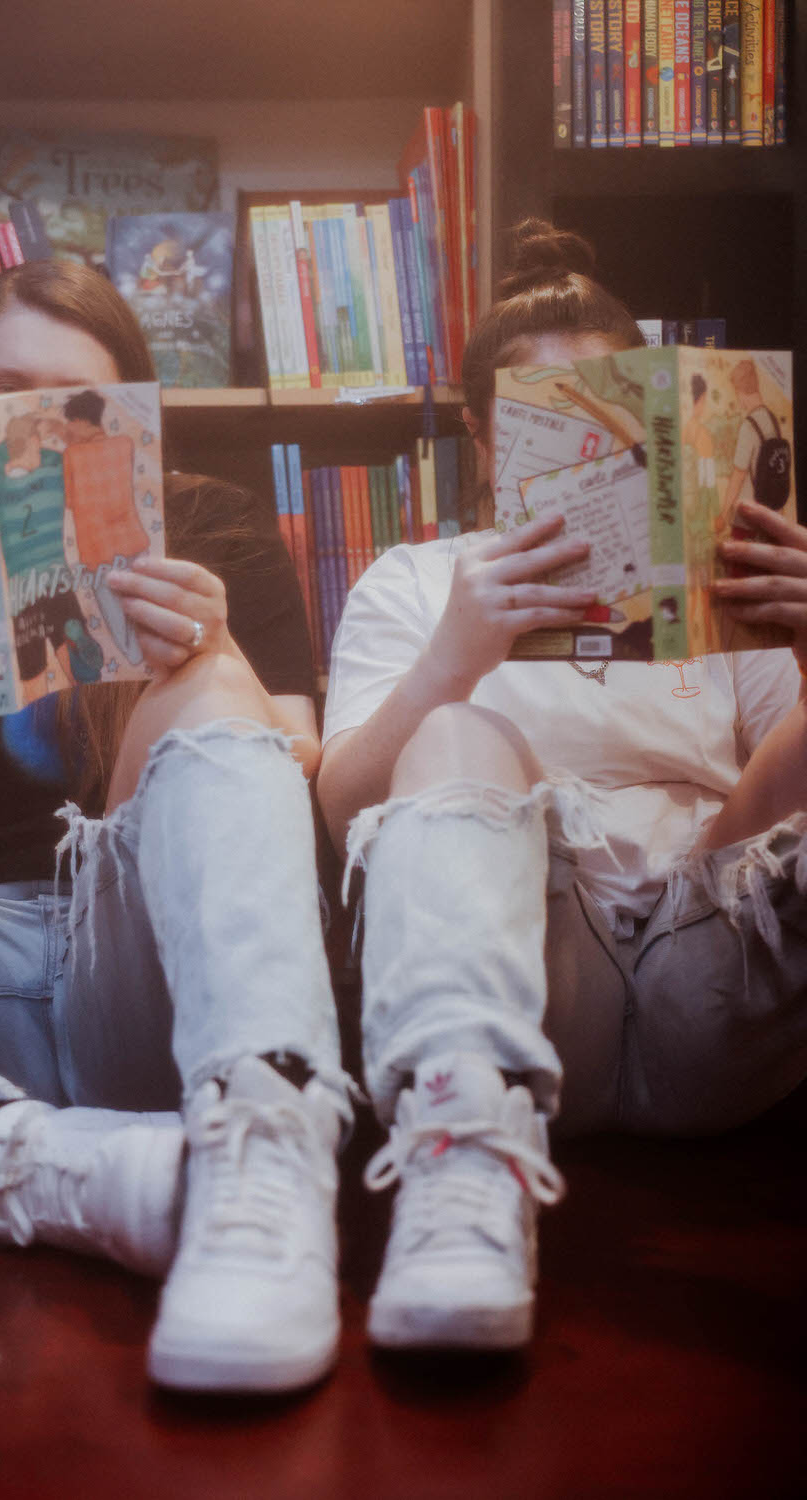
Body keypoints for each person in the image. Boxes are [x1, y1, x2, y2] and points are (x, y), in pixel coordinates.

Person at [0, 260, 351, 1395]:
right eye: (1, 393)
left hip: (146, 968)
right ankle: (24, 1160)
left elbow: (288, 773)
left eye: (69, 403)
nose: (27, 440)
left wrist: (214, 658)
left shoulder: (215, 527)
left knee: (214, 704)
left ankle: (266, 1132)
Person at [317, 220, 807, 1354]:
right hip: (533, 972)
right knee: (455, 734)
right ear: (489, 442)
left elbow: (778, 809)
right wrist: (458, 653)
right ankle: (460, 1179)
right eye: (545, 417)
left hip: (720, 949)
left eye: (608, 409)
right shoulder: (418, 578)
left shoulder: (725, 580)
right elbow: (343, 814)